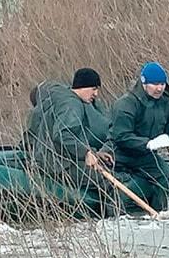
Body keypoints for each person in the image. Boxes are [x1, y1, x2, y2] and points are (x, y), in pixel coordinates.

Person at [27, 67, 117, 216]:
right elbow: (63, 135)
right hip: (56, 164)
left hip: (53, 157)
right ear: (82, 86)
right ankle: (112, 222)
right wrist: (85, 153)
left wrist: (95, 153)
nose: (96, 94)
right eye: (93, 89)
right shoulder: (71, 105)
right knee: (105, 180)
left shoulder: (64, 98)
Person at [110, 61, 169, 212]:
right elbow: (121, 136)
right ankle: (115, 220)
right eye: (154, 84)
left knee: (166, 175)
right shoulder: (126, 104)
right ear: (144, 83)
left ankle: (158, 213)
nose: (159, 88)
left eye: (162, 84)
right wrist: (147, 143)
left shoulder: (167, 104)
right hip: (120, 154)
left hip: (145, 156)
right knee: (114, 186)